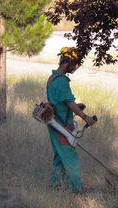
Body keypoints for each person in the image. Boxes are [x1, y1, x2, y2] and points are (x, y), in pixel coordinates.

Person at [47, 47, 96, 193]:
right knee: (71, 156)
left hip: (54, 123)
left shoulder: (52, 78)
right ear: (65, 63)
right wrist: (85, 117)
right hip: (61, 126)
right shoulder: (62, 81)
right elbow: (69, 103)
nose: (76, 67)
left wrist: (74, 107)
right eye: (74, 64)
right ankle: (78, 188)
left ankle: (55, 185)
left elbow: (61, 102)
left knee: (60, 157)